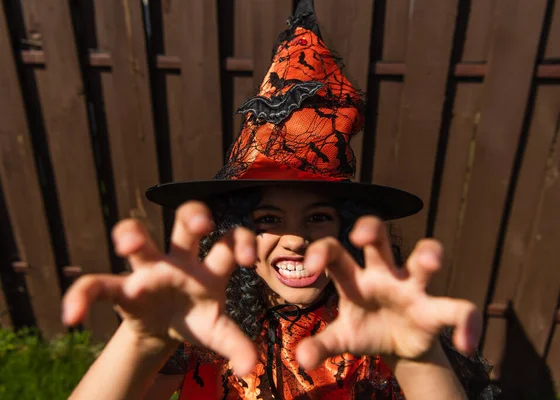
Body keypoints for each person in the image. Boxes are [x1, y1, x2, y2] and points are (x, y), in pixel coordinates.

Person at [63, 1, 499, 398]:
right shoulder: (202, 328)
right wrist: (144, 341)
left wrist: (416, 358)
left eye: (319, 217)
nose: (294, 240)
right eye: (268, 218)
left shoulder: (371, 332)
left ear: (346, 230)